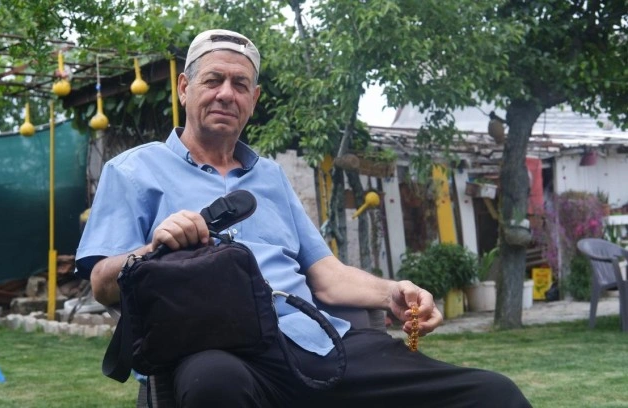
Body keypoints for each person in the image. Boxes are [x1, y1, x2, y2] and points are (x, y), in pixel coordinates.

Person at [75, 28, 532, 408]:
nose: (226, 94)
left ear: (253, 99)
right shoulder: (133, 171)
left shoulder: (270, 176)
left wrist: (393, 291)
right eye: (213, 80)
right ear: (184, 88)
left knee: (493, 394)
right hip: (215, 349)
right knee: (213, 385)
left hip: (315, 340)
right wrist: (155, 247)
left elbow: (326, 275)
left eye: (240, 85)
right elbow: (102, 282)